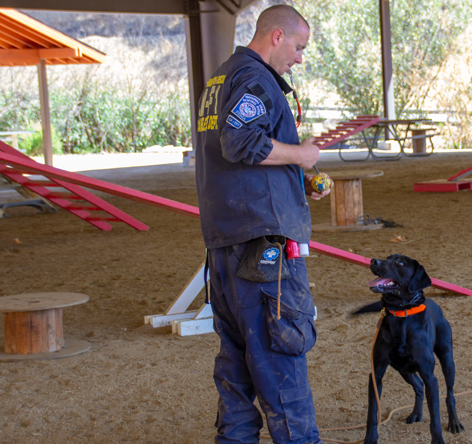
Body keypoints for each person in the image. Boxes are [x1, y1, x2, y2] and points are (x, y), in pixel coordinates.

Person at [195, 5, 328, 444]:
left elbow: (237, 155)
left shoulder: (220, 79)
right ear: (276, 36)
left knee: (235, 368)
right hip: (263, 250)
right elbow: (240, 142)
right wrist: (301, 155)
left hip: (226, 245)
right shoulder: (255, 79)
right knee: (281, 360)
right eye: (298, 47)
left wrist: (299, 177)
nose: (300, 58)